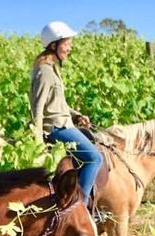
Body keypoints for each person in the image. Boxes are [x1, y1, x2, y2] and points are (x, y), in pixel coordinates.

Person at [30, 21, 103, 213]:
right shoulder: (45, 71)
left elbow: (58, 104)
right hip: (56, 128)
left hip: (64, 123)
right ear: (54, 45)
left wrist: (77, 115)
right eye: (66, 43)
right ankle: (80, 207)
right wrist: (38, 139)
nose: (69, 47)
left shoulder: (52, 68)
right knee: (95, 158)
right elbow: (37, 107)